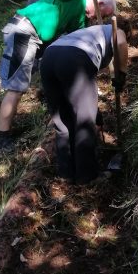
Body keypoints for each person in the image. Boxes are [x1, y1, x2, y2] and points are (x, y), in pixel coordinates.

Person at [0, 0, 116, 152]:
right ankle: (3, 139)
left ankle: (51, 104)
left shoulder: (81, 21)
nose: (96, 19)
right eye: (103, 15)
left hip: (41, 40)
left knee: (51, 73)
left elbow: (77, 55)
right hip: (25, 31)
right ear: (100, 4)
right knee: (16, 88)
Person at [40, 24, 128, 184]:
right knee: (84, 122)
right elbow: (121, 42)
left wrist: (96, 113)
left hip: (48, 58)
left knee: (62, 120)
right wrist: (122, 74)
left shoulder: (91, 33)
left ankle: (66, 173)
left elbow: (79, 95)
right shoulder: (116, 29)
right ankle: (87, 176)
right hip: (74, 58)